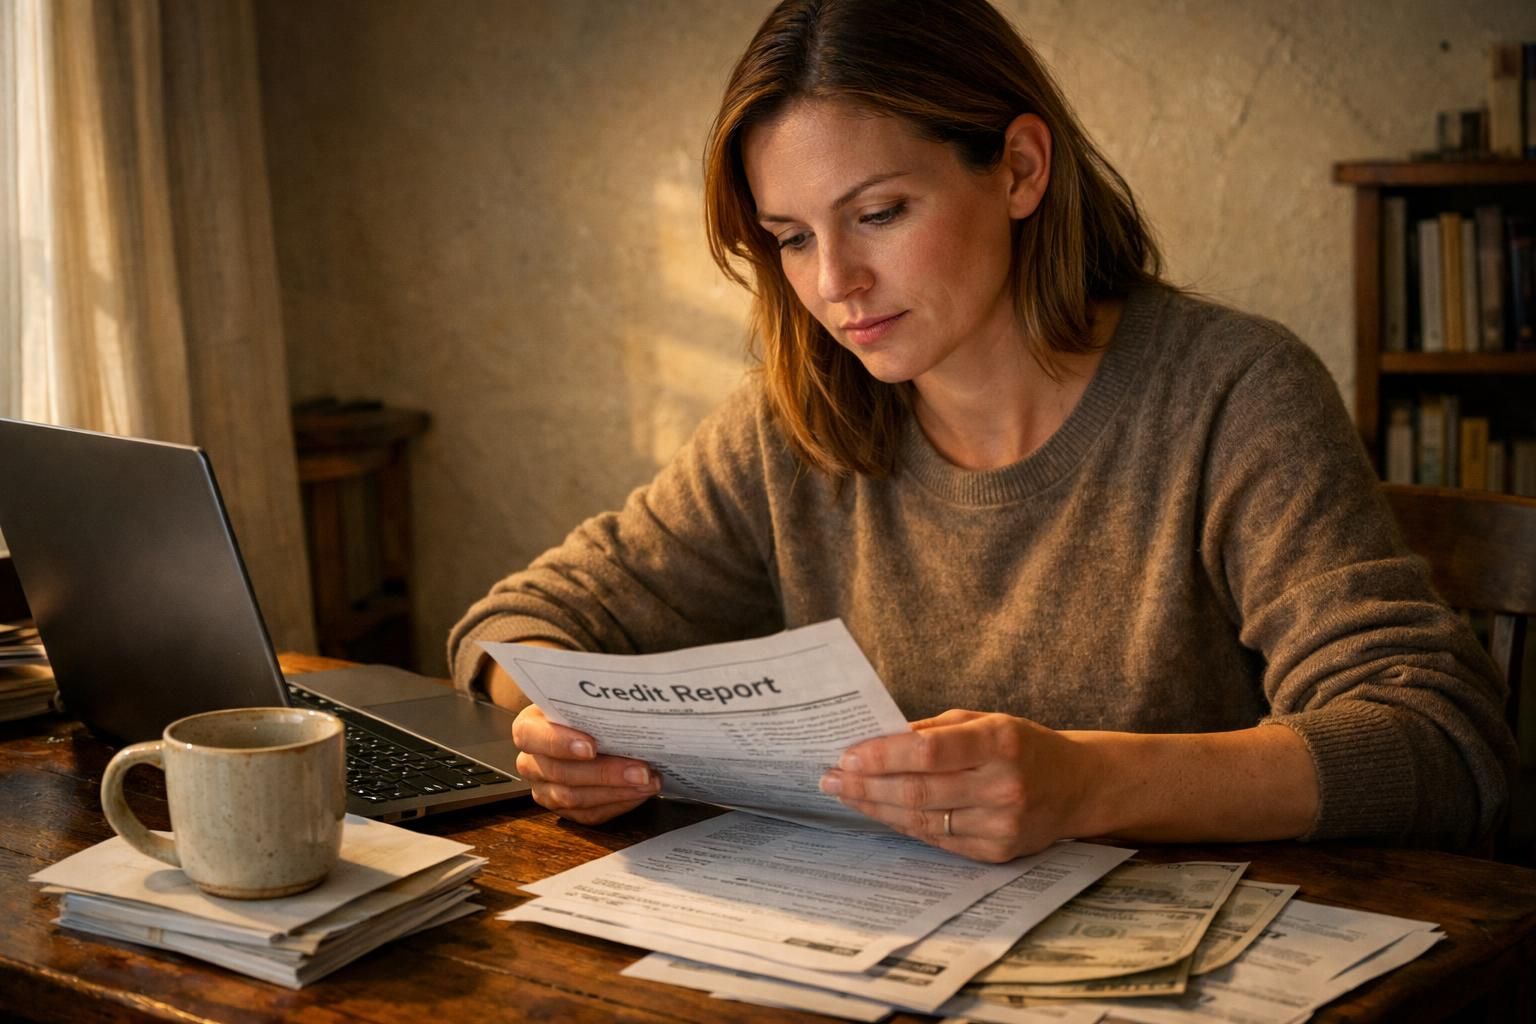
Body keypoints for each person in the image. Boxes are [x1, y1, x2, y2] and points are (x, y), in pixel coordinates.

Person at [448, 0, 1515, 863]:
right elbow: (517, 620)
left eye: (879, 214)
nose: (834, 284)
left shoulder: (1231, 391)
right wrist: (557, 732)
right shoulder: (798, 419)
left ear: (1018, 169)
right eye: (789, 237)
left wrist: (1089, 782)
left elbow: (1438, 738)